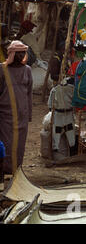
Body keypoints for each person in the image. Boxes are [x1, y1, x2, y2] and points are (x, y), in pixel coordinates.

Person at [0, 40, 33, 174]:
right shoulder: (2, 70)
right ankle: (5, 171)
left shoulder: (28, 70)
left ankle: (16, 170)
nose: (20, 56)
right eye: (17, 54)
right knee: (6, 144)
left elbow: (29, 94)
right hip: (5, 116)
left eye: (22, 54)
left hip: (22, 116)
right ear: (11, 54)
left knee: (19, 145)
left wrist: (28, 115)